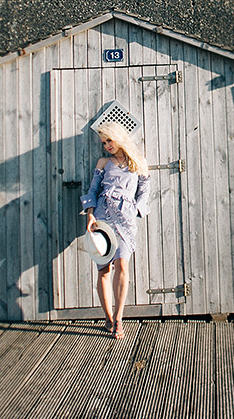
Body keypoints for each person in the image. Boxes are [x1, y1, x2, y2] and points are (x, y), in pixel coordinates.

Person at [80, 121, 150, 339]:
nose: (107, 145)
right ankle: (108, 318)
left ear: (118, 137)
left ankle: (119, 318)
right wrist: (90, 214)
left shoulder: (138, 162)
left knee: (122, 263)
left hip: (125, 220)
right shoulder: (103, 162)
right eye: (103, 142)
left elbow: (145, 192)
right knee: (104, 269)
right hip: (102, 216)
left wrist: (133, 210)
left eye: (109, 140)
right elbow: (93, 189)